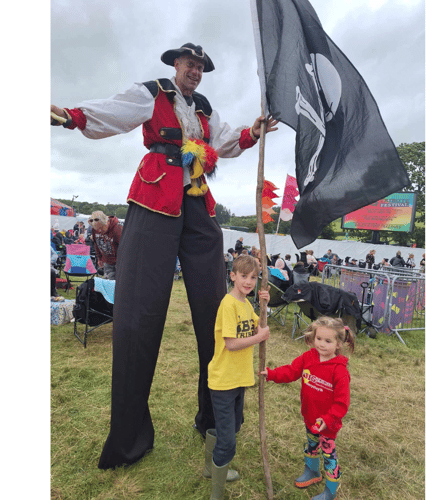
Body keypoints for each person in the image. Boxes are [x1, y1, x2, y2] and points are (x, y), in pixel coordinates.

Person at [51, 42, 279, 470]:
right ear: (176, 65)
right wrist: (73, 116)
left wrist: (254, 132)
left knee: (217, 310)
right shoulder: (152, 93)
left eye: (200, 67)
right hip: (155, 198)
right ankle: (130, 435)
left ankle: (217, 418)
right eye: (189, 64)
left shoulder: (206, 109)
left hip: (197, 206)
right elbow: (115, 111)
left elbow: (229, 140)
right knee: (137, 316)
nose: (194, 71)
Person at [260, 316, 354, 500]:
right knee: (311, 445)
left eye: (328, 341)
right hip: (310, 416)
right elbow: (291, 371)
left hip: (328, 425)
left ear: (338, 344)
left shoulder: (339, 371)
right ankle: (312, 472)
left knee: (328, 455)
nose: (322, 344)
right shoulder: (308, 357)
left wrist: (326, 420)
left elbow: (342, 403)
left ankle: (330, 491)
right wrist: (271, 374)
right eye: (319, 339)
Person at [206, 255, 270, 499]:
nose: (249, 281)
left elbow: (259, 327)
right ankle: (216, 492)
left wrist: (265, 302)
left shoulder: (246, 304)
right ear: (232, 276)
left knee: (232, 427)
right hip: (224, 380)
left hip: (239, 379)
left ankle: (208, 469)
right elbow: (231, 344)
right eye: (244, 276)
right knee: (228, 441)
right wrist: (259, 338)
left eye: (253, 277)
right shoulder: (229, 304)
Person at [88, 211, 122, 280]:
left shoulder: (117, 229)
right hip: (107, 261)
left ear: (106, 223)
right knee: (108, 283)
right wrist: (99, 259)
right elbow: (97, 244)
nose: (99, 231)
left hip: (119, 262)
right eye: (97, 229)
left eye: (101, 228)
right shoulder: (95, 229)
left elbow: (124, 247)